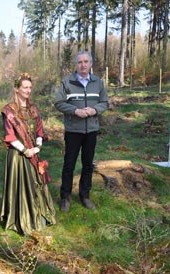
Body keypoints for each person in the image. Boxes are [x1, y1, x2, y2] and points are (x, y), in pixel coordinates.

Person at [0, 73, 56, 235]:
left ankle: (38, 216)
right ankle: (22, 218)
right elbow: (10, 136)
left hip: (34, 152)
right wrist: (25, 150)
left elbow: (39, 129)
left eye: (30, 87)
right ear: (17, 89)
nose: (28, 90)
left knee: (36, 184)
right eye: (24, 87)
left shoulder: (33, 108)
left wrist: (37, 146)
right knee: (22, 187)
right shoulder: (9, 111)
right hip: (18, 156)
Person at [54, 51, 108, 212]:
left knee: (87, 164)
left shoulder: (97, 82)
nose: (83, 65)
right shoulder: (67, 82)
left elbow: (105, 102)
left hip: (91, 130)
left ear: (91, 64)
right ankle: (65, 197)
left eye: (86, 62)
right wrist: (75, 111)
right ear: (76, 65)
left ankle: (85, 196)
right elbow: (58, 102)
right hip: (73, 130)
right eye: (80, 62)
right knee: (69, 164)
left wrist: (94, 110)